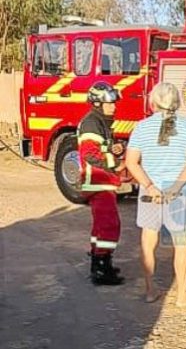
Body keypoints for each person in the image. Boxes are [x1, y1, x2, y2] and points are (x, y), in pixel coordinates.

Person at [125, 82, 186, 306]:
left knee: (149, 241)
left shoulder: (141, 127)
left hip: (150, 193)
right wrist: (175, 188)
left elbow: (132, 162)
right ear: (177, 101)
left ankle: (150, 291)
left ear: (153, 102)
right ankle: (182, 296)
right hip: (178, 194)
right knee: (181, 243)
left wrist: (150, 186)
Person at [78, 81, 125, 285]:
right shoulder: (92, 123)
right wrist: (117, 164)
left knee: (101, 226)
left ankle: (101, 261)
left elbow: (101, 148)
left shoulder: (99, 122)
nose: (114, 106)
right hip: (98, 182)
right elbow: (90, 154)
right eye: (110, 103)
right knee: (109, 225)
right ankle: (100, 268)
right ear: (98, 104)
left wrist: (115, 148)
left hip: (102, 182)